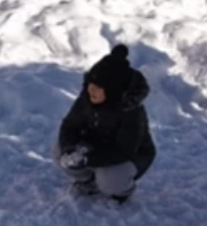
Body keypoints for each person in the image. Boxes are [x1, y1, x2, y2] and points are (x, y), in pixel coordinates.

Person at [54, 45, 156, 203]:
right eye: (90, 84)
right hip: (96, 147)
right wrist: (69, 150)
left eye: (98, 87)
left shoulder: (130, 111)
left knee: (109, 180)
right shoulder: (87, 98)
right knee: (58, 151)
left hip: (131, 156)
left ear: (113, 89)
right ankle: (88, 181)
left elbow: (124, 150)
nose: (91, 90)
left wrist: (87, 160)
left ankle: (123, 191)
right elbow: (70, 125)